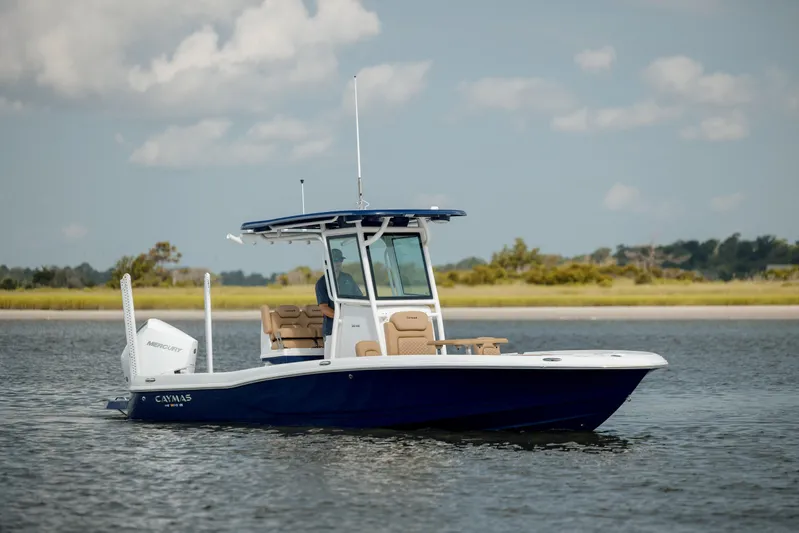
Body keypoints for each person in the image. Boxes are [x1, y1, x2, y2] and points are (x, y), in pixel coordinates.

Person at [315, 248, 362, 357]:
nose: (337, 263)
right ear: (328, 262)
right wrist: (341, 317)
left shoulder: (348, 278)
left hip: (352, 327)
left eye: (339, 260)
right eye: (334, 260)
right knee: (333, 356)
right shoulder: (322, 283)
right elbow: (323, 308)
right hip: (332, 329)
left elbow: (359, 298)